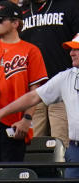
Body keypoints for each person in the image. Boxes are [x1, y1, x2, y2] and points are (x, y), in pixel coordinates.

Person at [0, 33, 79, 183]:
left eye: (76, 49)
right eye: (71, 49)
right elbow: (33, 97)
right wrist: (0, 114)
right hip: (75, 147)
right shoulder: (66, 77)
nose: (72, 53)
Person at [0, 1, 48, 163]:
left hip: (13, 123)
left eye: (0, 19)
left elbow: (36, 90)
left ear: (15, 23)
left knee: (10, 177)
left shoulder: (31, 50)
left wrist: (27, 119)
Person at [18, 0, 79, 145]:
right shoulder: (21, 12)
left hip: (62, 86)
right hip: (34, 88)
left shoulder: (68, 5)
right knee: (34, 145)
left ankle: (63, 169)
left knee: (61, 143)